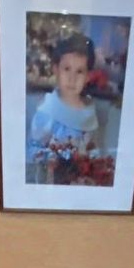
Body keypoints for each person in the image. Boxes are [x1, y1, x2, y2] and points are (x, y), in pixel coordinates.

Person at [27, 33, 102, 179]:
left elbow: (93, 148)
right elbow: (33, 148)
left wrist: (92, 163)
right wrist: (49, 159)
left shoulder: (88, 111)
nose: (72, 78)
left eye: (79, 71)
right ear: (56, 69)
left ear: (88, 76)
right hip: (51, 179)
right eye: (67, 69)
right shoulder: (48, 110)